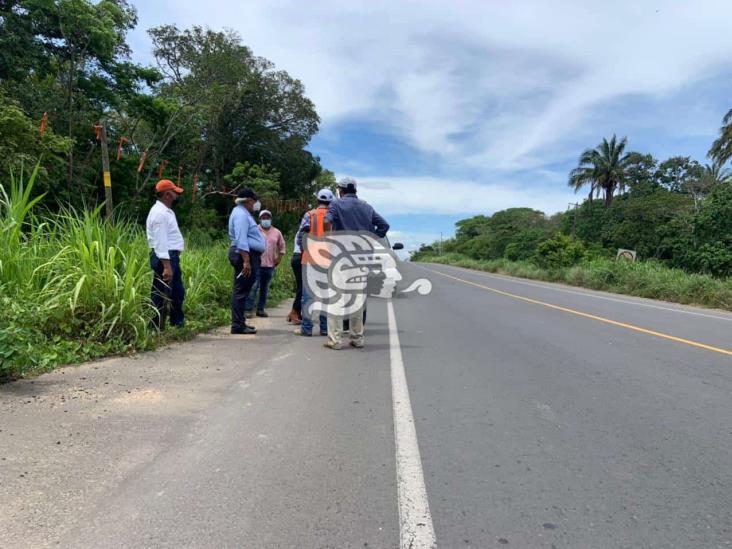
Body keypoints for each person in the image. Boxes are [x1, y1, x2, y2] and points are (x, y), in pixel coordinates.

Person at [323, 177, 389, 350]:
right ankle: (357, 338)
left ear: (341, 190)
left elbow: (327, 221)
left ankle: (335, 340)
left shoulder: (336, 204)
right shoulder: (367, 207)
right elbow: (384, 225)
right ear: (355, 190)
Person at [294, 188, 334, 337]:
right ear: (330, 202)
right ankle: (324, 328)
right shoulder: (333, 217)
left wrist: (305, 250)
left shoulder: (309, 215)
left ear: (318, 200)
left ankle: (307, 328)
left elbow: (300, 236)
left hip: (310, 260)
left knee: (308, 295)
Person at [146, 179, 186, 330]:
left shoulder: (165, 211)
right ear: (168, 194)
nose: (177, 194)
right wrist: (167, 266)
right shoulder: (160, 214)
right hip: (165, 257)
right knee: (160, 293)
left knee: (176, 291)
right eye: (174, 192)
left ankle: (175, 322)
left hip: (170, 257)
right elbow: (160, 242)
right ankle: (155, 327)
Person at [228, 187, 265, 335]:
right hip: (244, 255)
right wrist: (246, 261)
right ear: (249, 201)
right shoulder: (241, 215)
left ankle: (240, 322)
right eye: (254, 201)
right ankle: (237, 325)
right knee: (241, 290)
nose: (255, 204)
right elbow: (241, 239)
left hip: (248, 254)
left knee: (243, 289)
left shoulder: (242, 213)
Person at [245, 210, 286, 318]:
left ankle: (261, 309)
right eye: (263, 218)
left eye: (267, 217)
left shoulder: (276, 232)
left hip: (270, 265)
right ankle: (248, 309)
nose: (265, 219)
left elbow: (282, 246)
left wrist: (279, 258)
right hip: (256, 264)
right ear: (260, 219)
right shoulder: (254, 230)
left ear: (271, 219)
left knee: (264, 288)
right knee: (253, 287)